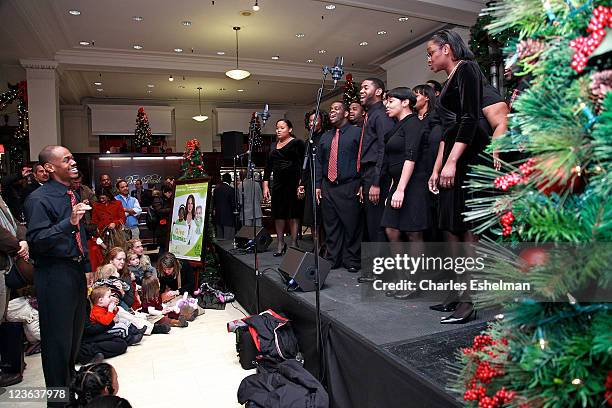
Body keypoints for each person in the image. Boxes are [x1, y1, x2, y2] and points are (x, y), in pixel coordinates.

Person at [426, 29, 490, 324]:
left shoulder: (468, 69)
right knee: (450, 228)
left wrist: (452, 163)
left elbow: (469, 118)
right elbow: (445, 133)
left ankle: (469, 301)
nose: (429, 59)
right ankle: (457, 295)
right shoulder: (448, 79)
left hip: (468, 157)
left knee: (466, 231)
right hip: (454, 156)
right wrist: (437, 168)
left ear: (448, 49)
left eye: (431, 52)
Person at [24, 145, 91, 397]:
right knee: (57, 343)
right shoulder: (38, 199)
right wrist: (69, 222)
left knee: (74, 337)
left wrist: (86, 267)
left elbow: (79, 234)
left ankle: (71, 390)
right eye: (67, 159)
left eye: (72, 157)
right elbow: (37, 240)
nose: (73, 162)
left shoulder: (70, 195)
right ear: (50, 167)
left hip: (74, 272)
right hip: (54, 275)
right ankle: (58, 400)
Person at [315, 101, 362, 273]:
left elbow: (363, 160)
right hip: (328, 187)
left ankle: (352, 260)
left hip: (350, 185)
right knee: (331, 225)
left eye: (337, 109)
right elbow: (319, 162)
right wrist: (318, 185)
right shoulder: (326, 137)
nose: (332, 111)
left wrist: (362, 184)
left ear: (346, 113)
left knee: (352, 225)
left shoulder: (357, 133)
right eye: (331, 109)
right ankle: (333, 259)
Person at [381, 87, 429, 241]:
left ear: (405, 102)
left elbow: (410, 157)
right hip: (398, 183)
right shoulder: (398, 126)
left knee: (413, 232)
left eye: (391, 101)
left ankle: (416, 266)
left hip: (413, 184)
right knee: (391, 229)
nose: (386, 105)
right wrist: (392, 190)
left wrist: (400, 190)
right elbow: (393, 162)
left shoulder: (413, 123)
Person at [357, 78, 396, 243]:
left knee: (377, 223)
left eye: (366, 87)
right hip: (368, 173)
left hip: (377, 174)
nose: (361, 91)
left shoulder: (381, 115)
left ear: (379, 91)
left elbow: (384, 148)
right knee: (371, 223)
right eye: (361, 88)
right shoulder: (370, 114)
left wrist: (376, 182)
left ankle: (381, 266)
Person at [263, 119, 305, 256]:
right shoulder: (273, 145)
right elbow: (268, 167)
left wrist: (301, 183)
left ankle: (294, 243)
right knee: (278, 215)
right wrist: (265, 185)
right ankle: (280, 243)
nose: (278, 130)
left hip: (293, 183)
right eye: (277, 128)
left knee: (293, 214)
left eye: (282, 127)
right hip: (278, 184)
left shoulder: (298, 143)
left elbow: (303, 164)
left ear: (290, 129)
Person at [0, 195, 29, 387]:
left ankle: (7, 364)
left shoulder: (2, 200)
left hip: (6, 265)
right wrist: (18, 246)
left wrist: (23, 240)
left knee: (3, 316)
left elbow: (17, 223)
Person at [298, 110, 331, 247]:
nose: (312, 123)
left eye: (315, 120)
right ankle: (317, 246)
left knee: (324, 216)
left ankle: (326, 246)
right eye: (310, 121)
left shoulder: (327, 137)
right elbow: (305, 165)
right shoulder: (308, 141)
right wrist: (302, 184)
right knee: (312, 217)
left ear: (322, 121)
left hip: (324, 181)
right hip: (311, 182)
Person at [213, 173, 236, 239]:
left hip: (218, 217)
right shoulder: (231, 190)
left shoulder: (216, 190)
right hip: (228, 218)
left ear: (222, 180)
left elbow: (214, 203)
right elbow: (233, 204)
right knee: (228, 240)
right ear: (230, 180)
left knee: (219, 239)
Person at [151, 183, 173, 253]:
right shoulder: (157, 199)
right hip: (161, 227)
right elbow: (159, 211)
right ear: (163, 191)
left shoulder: (170, 199)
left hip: (169, 225)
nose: (170, 194)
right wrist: (171, 209)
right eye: (168, 192)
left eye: (171, 192)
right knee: (163, 247)